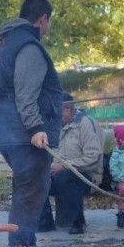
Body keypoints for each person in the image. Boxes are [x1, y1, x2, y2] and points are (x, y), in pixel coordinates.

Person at [0, 0, 65, 247]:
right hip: (25, 135)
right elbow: (25, 92)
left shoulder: (7, 43)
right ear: (42, 19)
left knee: (26, 192)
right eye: (49, 21)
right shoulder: (29, 47)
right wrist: (36, 127)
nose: (49, 27)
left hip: (9, 132)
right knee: (30, 194)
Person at [37, 98, 103, 234]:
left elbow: (93, 158)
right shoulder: (56, 126)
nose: (54, 115)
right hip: (61, 174)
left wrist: (64, 166)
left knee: (64, 176)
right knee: (35, 177)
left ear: (68, 109)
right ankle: (45, 222)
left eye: (57, 111)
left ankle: (77, 222)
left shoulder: (86, 124)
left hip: (87, 177)